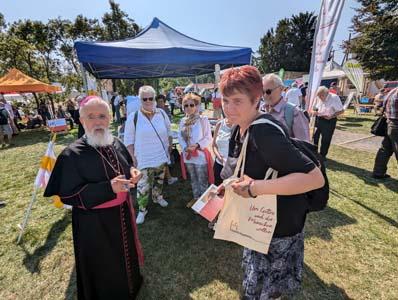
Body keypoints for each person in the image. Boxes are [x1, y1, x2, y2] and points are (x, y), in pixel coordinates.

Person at [218, 65, 325, 300]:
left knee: (270, 291)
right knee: (256, 284)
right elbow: (247, 166)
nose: (229, 108)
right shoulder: (240, 128)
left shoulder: (263, 133)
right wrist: (229, 185)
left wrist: (255, 188)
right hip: (258, 223)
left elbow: (314, 178)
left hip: (279, 228)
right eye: (225, 100)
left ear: (256, 99)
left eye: (237, 101)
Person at [43, 96, 144, 299]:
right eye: (91, 117)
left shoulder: (115, 142)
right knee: (104, 264)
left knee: (125, 256)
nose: (98, 122)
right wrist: (108, 188)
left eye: (102, 116)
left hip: (122, 214)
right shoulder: (71, 155)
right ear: (81, 120)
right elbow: (68, 195)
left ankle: (131, 286)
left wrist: (133, 171)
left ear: (109, 119)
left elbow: (126, 166)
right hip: (94, 225)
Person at [124, 85, 172, 225]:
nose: (148, 101)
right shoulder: (134, 117)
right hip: (143, 158)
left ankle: (158, 197)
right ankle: (142, 209)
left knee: (159, 180)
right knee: (142, 187)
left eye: (151, 98)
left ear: (154, 98)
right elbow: (128, 140)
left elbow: (169, 132)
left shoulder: (161, 114)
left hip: (160, 156)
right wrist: (133, 158)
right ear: (140, 100)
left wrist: (169, 148)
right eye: (144, 99)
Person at [178, 93, 213, 207]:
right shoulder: (183, 121)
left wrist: (197, 145)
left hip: (200, 155)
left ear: (196, 106)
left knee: (202, 179)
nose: (188, 108)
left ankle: (205, 202)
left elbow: (208, 137)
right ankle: (196, 197)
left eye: (191, 105)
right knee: (193, 178)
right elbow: (180, 136)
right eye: (186, 105)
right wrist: (185, 148)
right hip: (188, 155)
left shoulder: (203, 120)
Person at [262, 74, 310, 141]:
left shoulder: (294, 112)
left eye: (268, 92)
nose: (265, 95)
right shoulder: (260, 110)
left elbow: (304, 145)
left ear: (281, 88)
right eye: (262, 92)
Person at [312, 86, 345, 160]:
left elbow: (341, 110)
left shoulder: (334, 97)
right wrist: (314, 111)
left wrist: (332, 116)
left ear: (327, 93)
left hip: (329, 121)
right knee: (315, 136)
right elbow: (315, 107)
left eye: (321, 96)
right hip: (318, 119)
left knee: (326, 139)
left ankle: (322, 155)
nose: (319, 98)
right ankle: (314, 153)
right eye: (318, 96)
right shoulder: (318, 96)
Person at [372, 87, 398, 179]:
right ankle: (378, 172)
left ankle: (378, 172)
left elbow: (382, 106)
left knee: (385, 150)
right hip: (395, 124)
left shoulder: (392, 91)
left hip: (390, 123)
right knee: (385, 150)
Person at [156, 94, 178, 185]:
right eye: (158, 102)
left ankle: (167, 178)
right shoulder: (154, 111)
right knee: (162, 160)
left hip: (164, 139)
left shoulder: (165, 111)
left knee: (164, 159)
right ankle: (167, 178)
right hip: (158, 140)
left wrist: (169, 141)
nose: (159, 103)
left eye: (161, 101)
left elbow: (168, 126)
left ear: (164, 102)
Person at [212, 116, 233, 185]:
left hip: (233, 167)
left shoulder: (241, 125)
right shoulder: (219, 124)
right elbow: (214, 145)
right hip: (219, 164)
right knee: (219, 189)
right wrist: (220, 158)